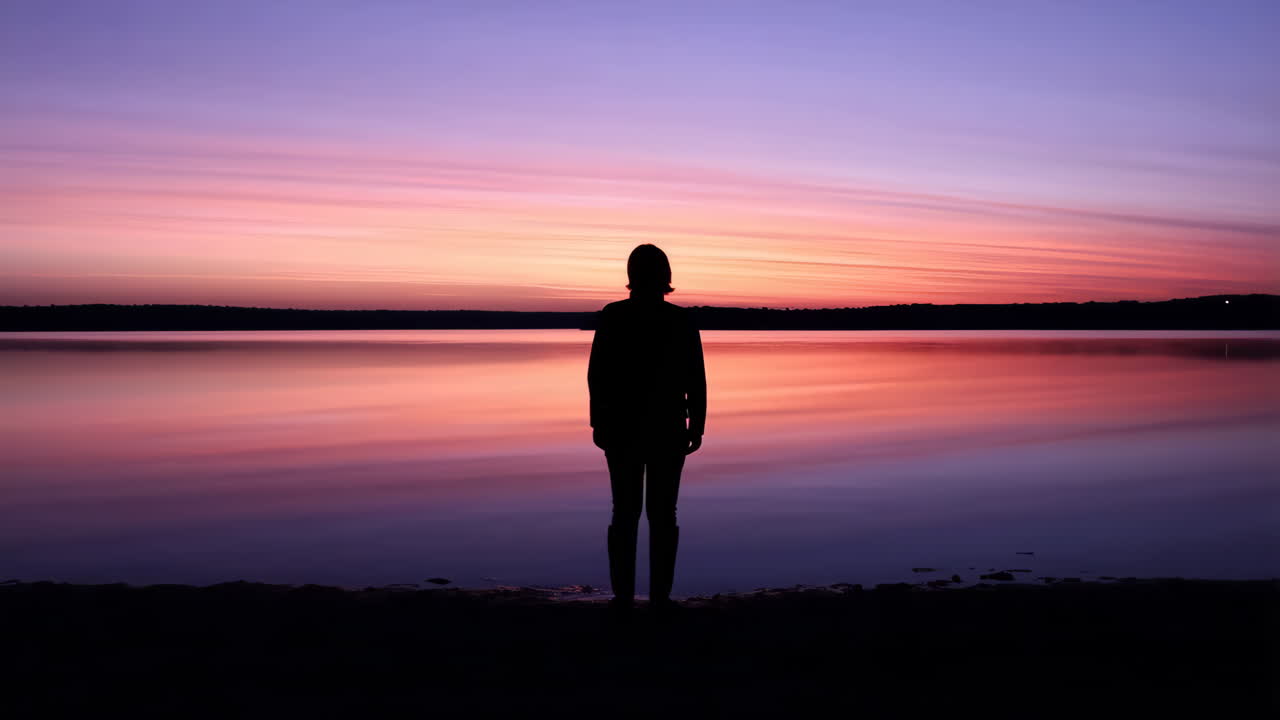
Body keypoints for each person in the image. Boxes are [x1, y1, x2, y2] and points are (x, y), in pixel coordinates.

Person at [588, 244, 706, 612]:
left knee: (626, 512)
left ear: (632, 276)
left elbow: (597, 376)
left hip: (628, 427)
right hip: (664, 427)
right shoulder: (680, 321)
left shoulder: (614, 316)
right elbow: (696, 380)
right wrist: (696, 424)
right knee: (660, 513)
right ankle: (658, 597)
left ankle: (624, 596)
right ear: (665, 276)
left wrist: (599, 421)